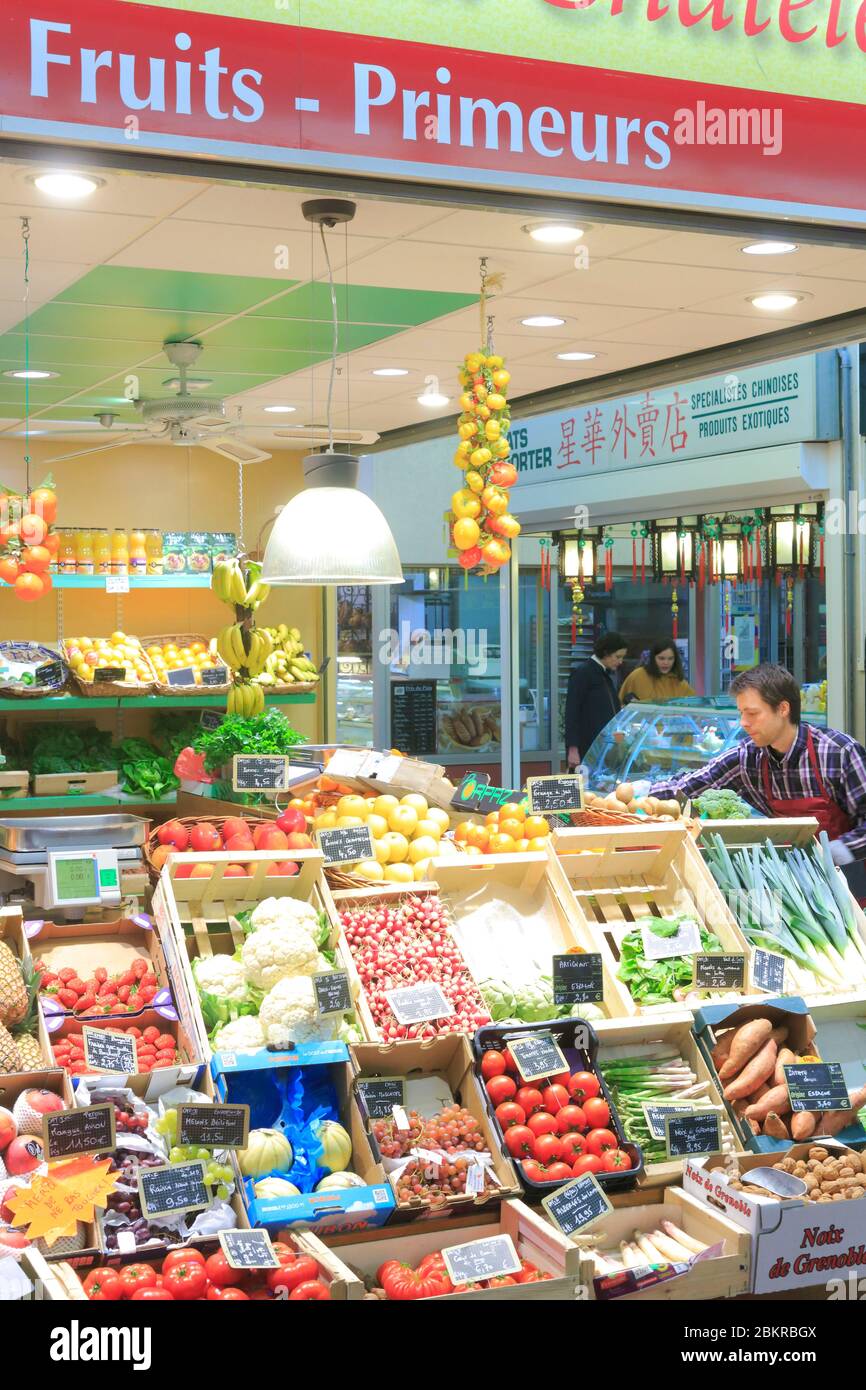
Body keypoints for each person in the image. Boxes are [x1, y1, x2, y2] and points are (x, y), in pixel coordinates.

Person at [649, 663, 866, 876]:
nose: (743, 722)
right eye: (741, 713)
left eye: (752, 713)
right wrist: (640, 794)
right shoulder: (748, 758)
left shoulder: (838, 752)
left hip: (851, 883)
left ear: (783, 709)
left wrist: (840, 850)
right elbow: (690, 786)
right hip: (792, 881)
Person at [565, 631, 628, 771]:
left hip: (602, 748)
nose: (620, 661)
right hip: (586, 748)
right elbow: (571, 712)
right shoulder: (583, 673)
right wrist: (573, 748)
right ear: (606, 653)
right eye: (618, 657)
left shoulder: (605, 674)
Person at [619, 640, 696, 705]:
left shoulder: (680, 683)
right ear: (653, 658)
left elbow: (694, 709)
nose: (666, 663)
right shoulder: (637, 676)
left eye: (670, 659)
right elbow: (619, 705)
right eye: (661, 658)